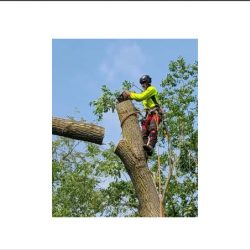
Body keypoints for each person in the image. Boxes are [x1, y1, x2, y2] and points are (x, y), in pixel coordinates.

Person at [124, 75, 162, 160]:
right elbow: (140, 97)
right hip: (148, 114)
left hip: (155, 112)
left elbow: (140, 97)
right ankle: (145, 152)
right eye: (141, 83)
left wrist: (130, 94)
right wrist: (128, 97)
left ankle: (151, 146)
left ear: (148, 82)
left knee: (153, 128)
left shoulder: (151, 90)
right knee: (144, 133)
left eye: (144, 83)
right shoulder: (145, 92)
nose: (142, 85)